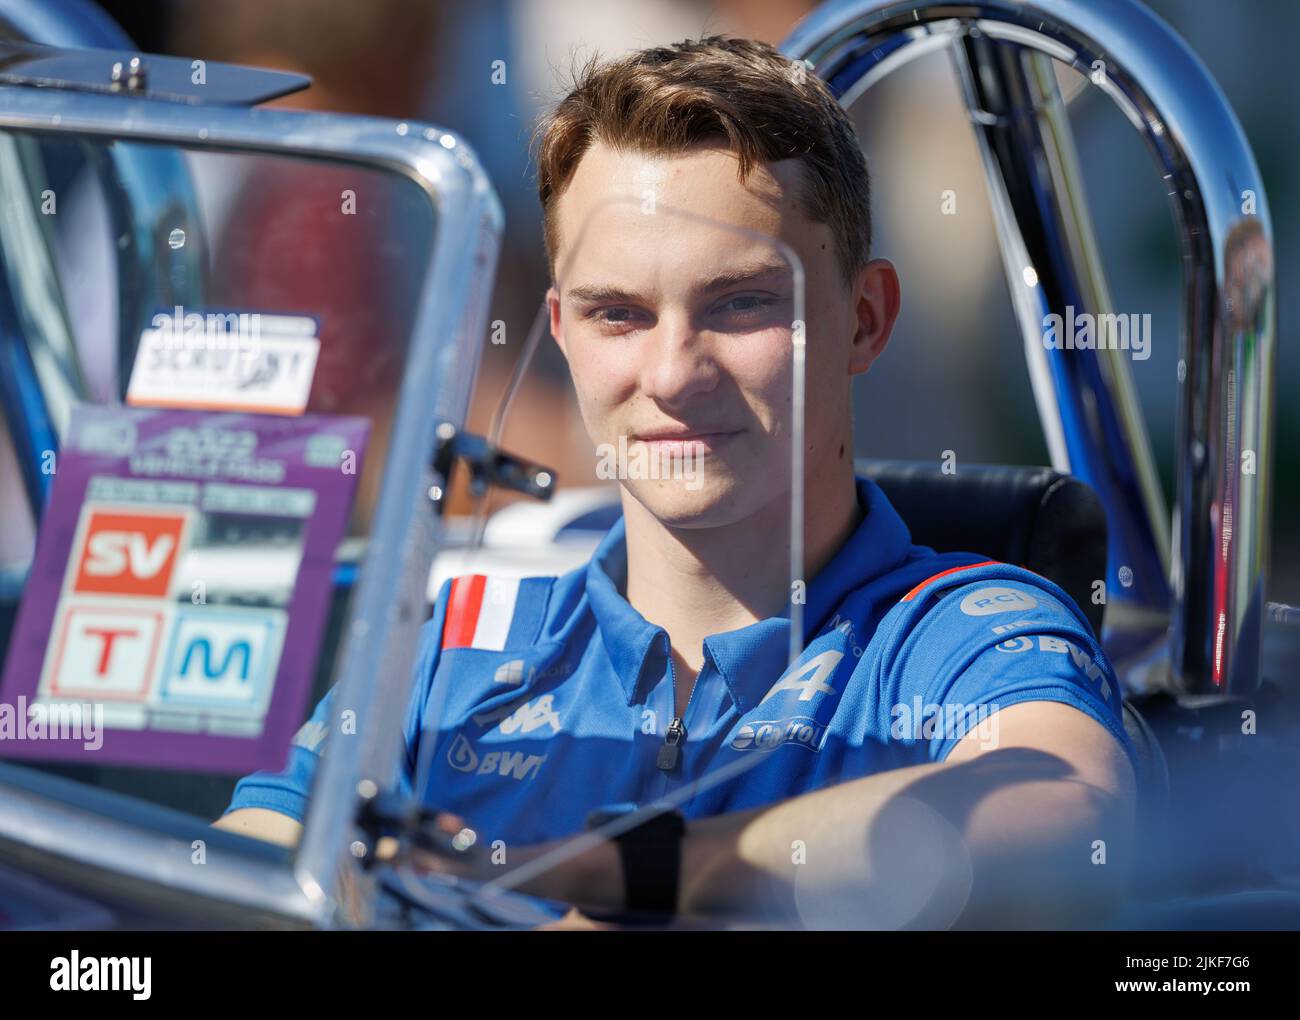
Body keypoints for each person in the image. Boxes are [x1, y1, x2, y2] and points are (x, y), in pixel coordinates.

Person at [217, 36, 1137, 928]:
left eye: (740, 303)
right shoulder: (450, 656)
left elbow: (1065, 803)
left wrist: (628, 875)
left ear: (864, 320)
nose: (670, 374)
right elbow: (239, 864)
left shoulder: (962, 634)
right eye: (617, 314)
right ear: (562, 333)